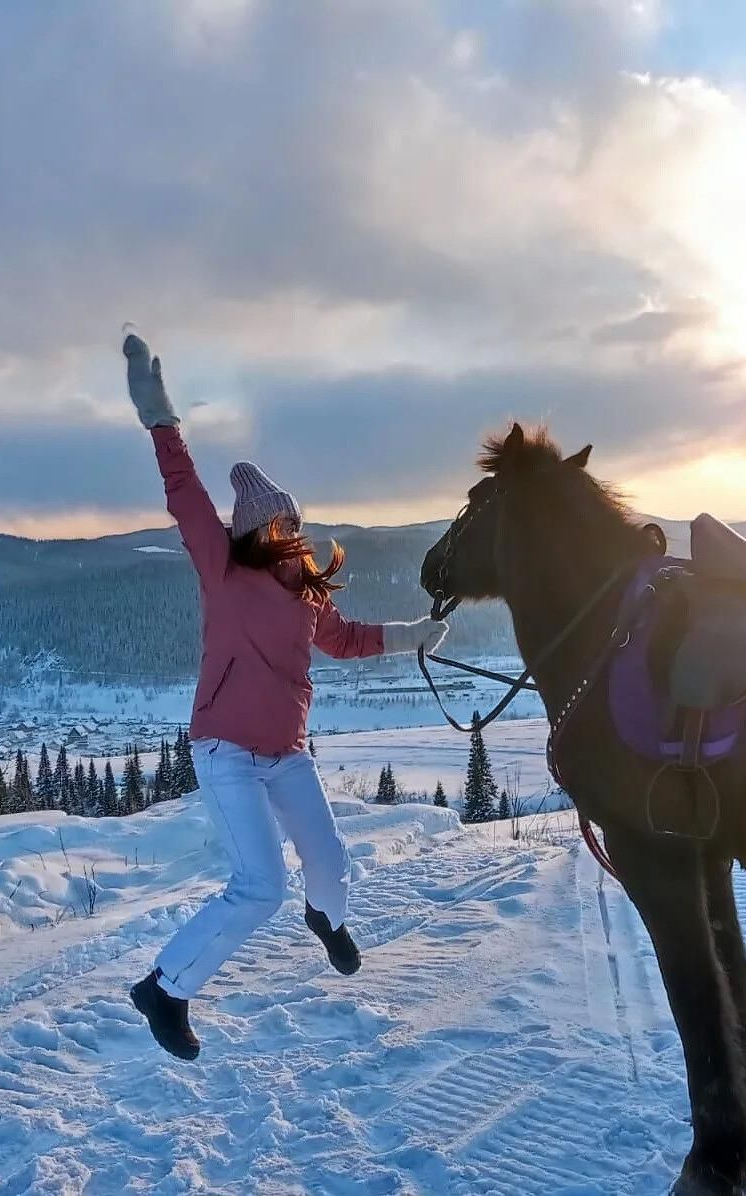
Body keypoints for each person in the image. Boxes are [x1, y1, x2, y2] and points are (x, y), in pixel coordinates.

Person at [122, 331, 448, 1060]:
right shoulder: (221, 568)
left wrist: (411, 637)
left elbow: (346, 638)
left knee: (330, 862)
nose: (295, 532)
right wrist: (160, 417)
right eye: (282, 523)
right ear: (252, 530)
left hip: (285, 751)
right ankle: (164, 989)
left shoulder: (304, 591)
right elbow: (185, 492)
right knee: (259, 886)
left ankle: (326, 920)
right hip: (225, 750)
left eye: (297, 522)